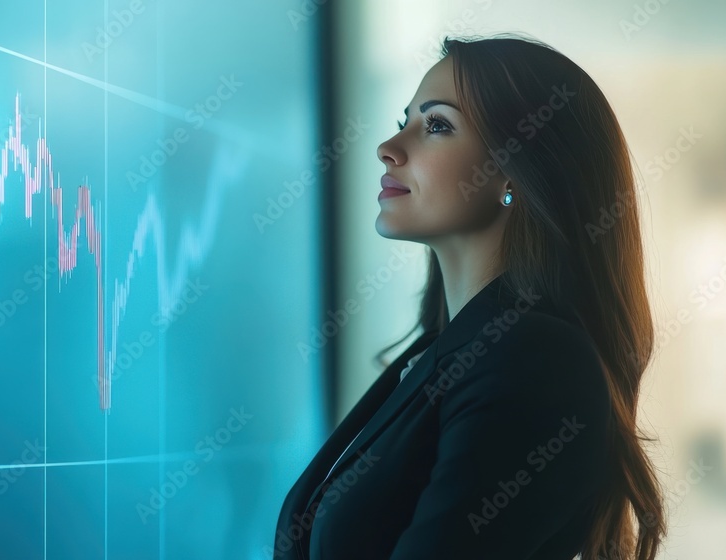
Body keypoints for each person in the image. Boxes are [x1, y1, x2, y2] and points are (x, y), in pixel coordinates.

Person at [273, 34, 666, 560]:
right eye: (404, 122)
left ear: (516, 172)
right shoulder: (439, 352)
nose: (388, 148)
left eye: (436, 125)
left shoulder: (533, 358)